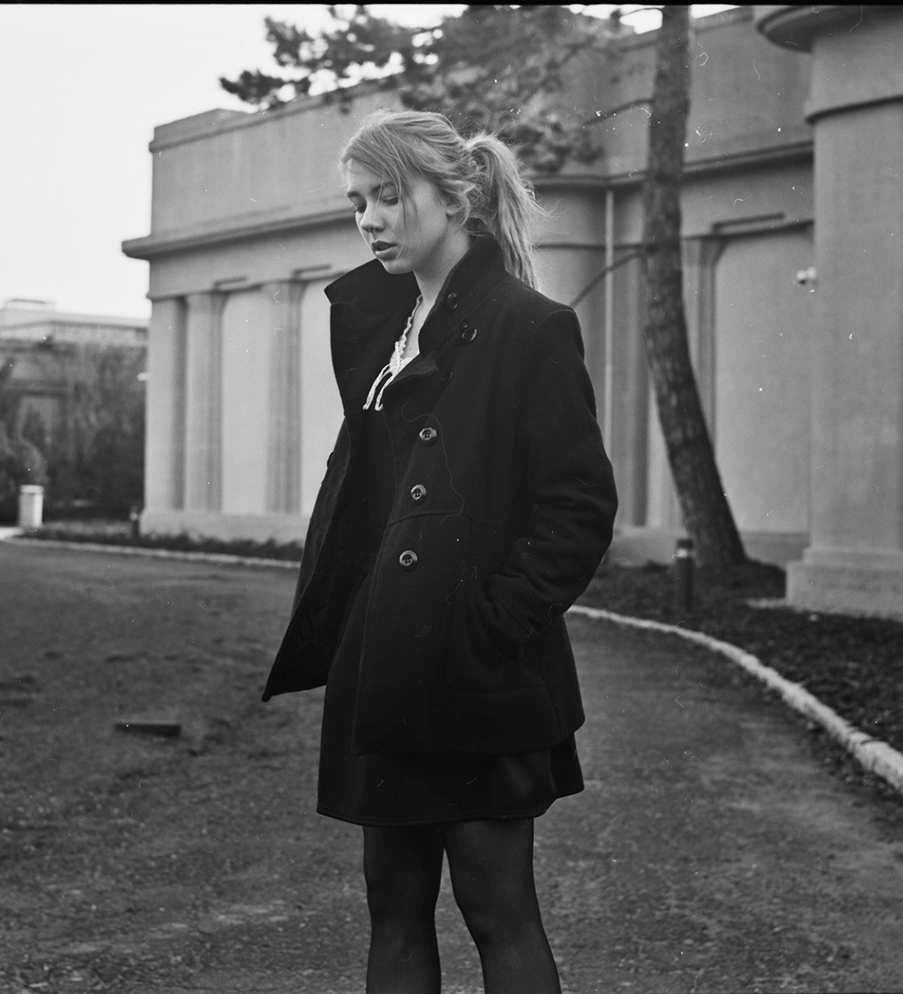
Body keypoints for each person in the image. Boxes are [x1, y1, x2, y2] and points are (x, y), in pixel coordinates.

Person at [262, 110, 618, 994]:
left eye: (389, 196)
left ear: (455, 197)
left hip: (474, 669)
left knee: (498, 908)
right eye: (357, 203)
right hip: (385, 662)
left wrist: (489, 628)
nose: (370, 220)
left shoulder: (527, 325)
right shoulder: (388, 326)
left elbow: (577, 506)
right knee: (393, 904)